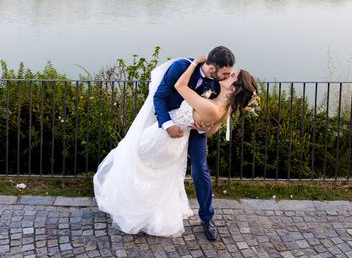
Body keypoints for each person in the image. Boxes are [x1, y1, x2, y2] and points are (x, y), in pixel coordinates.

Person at [93, 47, 258, 238]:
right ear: (213, 68)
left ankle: (207, 218)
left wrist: (205, 124)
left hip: (195, 127)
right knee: (147, 159)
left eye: (231, 74)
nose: (228, 75)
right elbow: (160, 96)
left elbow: (215, 112)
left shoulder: (220, 83)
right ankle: (141, 202)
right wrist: (167, 124)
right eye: (227, 73)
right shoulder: (182, 66)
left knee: (200, 168)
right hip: (171, 119)